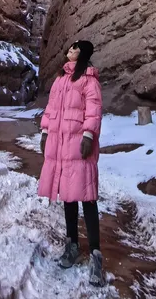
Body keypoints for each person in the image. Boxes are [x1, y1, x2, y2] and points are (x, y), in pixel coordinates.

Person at [38, 40, 104, 286]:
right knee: (68, 196)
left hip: (79, 145)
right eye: (71, 46)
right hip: (61, 145)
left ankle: (96, 255)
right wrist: (45, 131)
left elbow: (94, 110)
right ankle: (72, 245)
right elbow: (50, 108)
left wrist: (88, 135)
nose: (70, 48)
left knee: (86, 197)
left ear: (83, 53)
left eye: (76, 47)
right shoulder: (60, 79)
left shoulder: (89, 80)